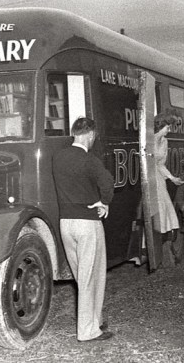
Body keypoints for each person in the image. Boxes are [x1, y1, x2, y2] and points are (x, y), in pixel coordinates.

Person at [52, 117, 114, 342]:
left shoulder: (58, 157)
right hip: (87, 223)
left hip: (65, 224)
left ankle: (94, 320)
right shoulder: (90, 160)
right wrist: (104, 202)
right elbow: (107, 183)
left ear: (73, 133)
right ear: (90, 135)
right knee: (93, 275)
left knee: (82, 277)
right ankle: (88, 331)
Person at [153, 113, 182, 267]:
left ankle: (165, 251)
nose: (168, 130)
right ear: (159, 127)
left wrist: (171, 178)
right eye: (167, 127)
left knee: (164, 211)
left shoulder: (165, 141)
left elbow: (160, 164)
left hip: (158, 178)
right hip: (148, 178)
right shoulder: (148, 140)